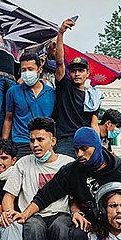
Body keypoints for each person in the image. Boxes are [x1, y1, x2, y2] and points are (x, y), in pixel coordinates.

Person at [50, 20, 100, 157]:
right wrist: (61, 33)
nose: (77, 74)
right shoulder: (65, 86)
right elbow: (60, 61)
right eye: (73, 71)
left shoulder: (93, 97)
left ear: (87, 73)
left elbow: (94, 124)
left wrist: (98, 146)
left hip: (84, 141)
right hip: (64, 140)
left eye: (81, 70)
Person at [2, 53, 55, 158]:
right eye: (23, 70)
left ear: (39, 70)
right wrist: (4, 145)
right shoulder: (13, 92)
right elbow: (8, 119)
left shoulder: (52, 93)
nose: (27, 73)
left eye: (30, 69)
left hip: (44, 143)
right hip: (20, 143)